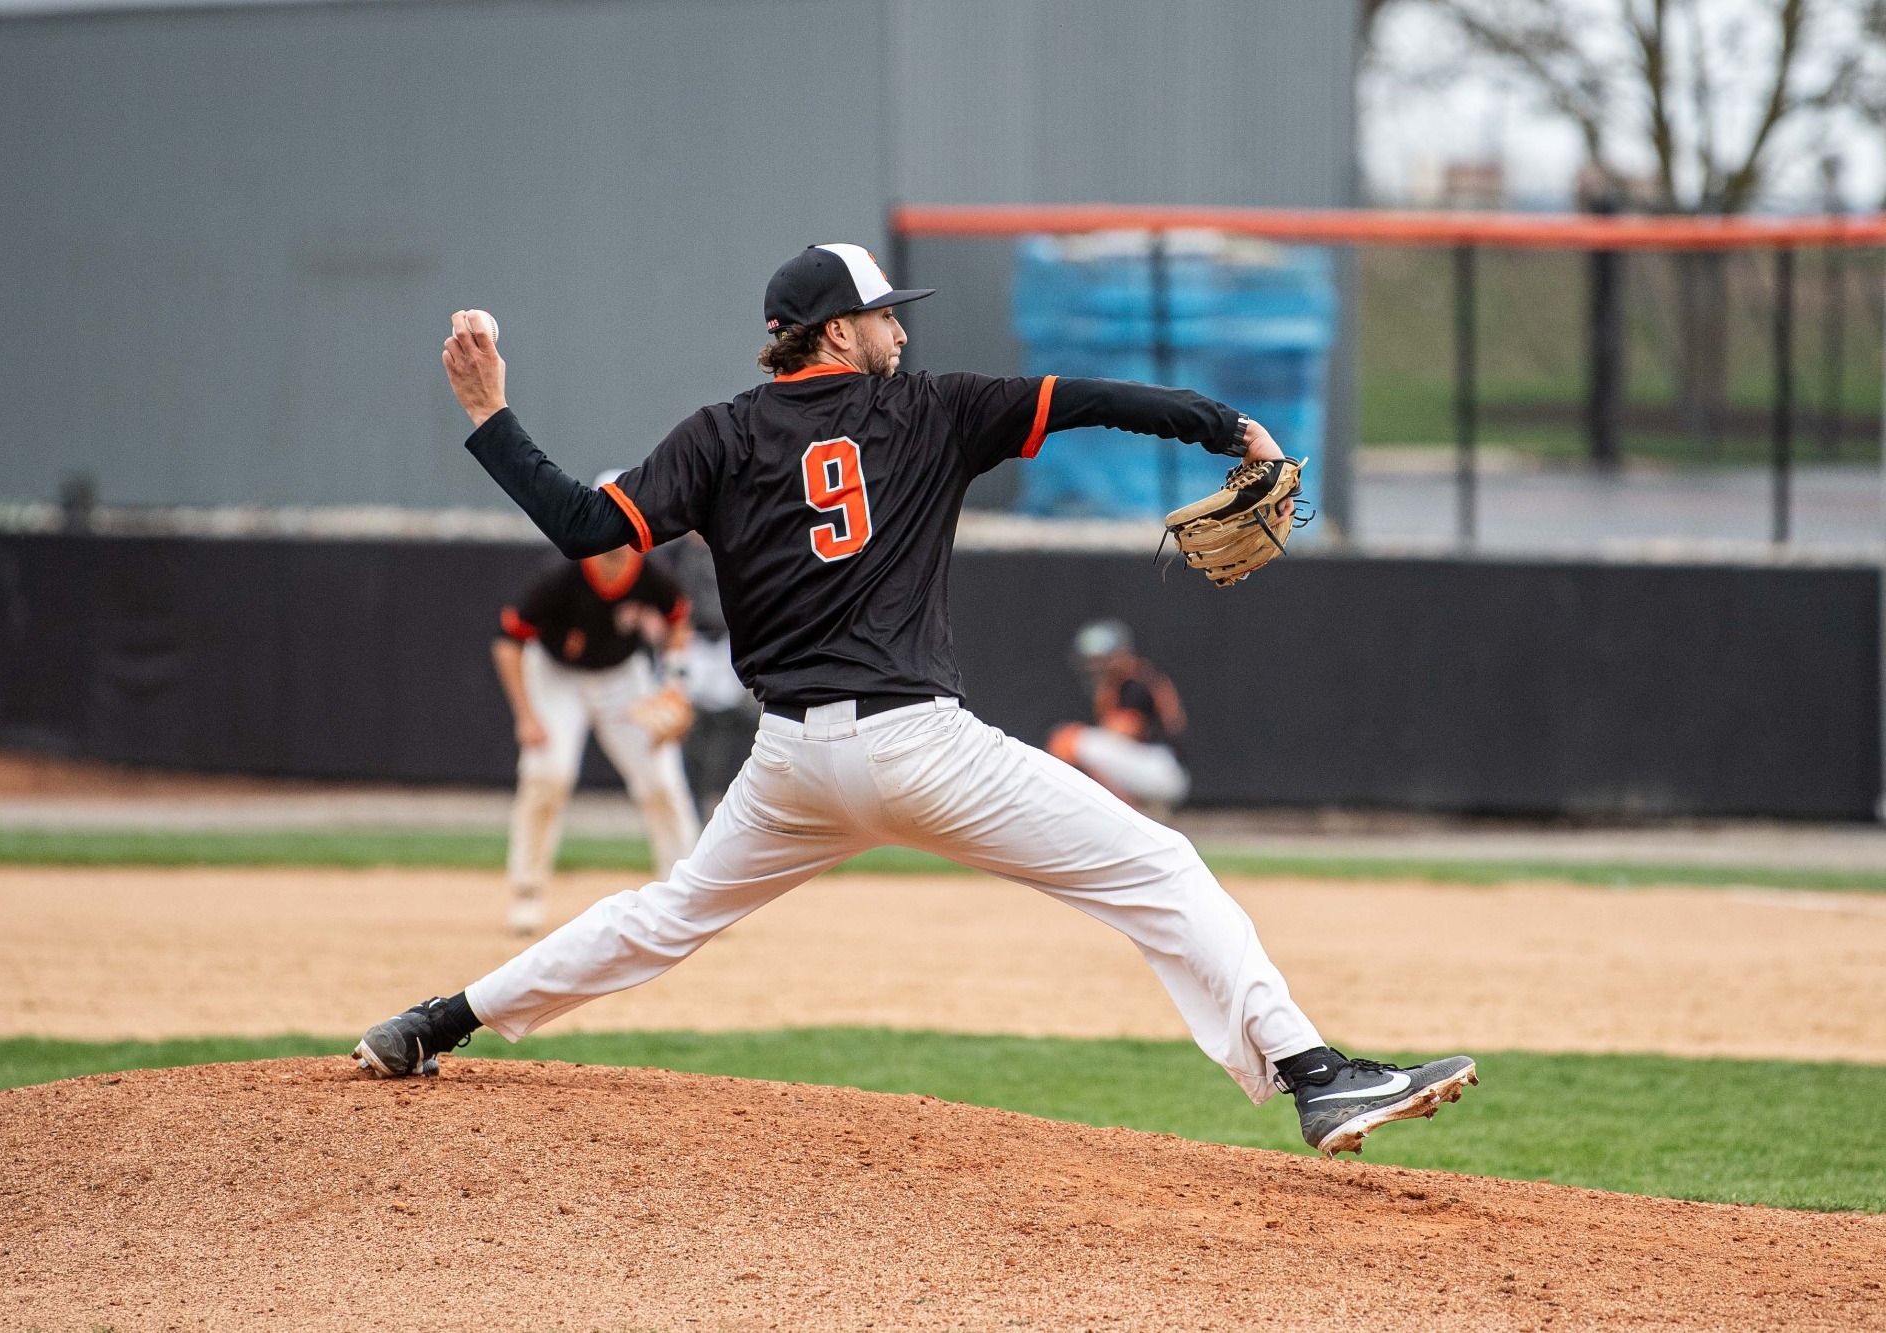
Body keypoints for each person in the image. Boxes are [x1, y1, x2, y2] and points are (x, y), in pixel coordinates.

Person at [356, 243, 1476, 1158]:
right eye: (884, 313)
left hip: (790, 764)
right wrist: (1227, 426)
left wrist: (491, 415)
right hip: (916, 746)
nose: (899, 328)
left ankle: (434, 1022)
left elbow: (585, 526)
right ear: (838, 331)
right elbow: (1092, 399)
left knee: (666, 914)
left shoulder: (721, 433)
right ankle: (1315, 1075)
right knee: (1161, 871)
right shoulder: (935, 409)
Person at [491, 503, 702, 935]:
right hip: (557, 676)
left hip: (622, 676)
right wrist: (525, 715)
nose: (617, 537)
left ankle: (689, 898)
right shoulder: (561, 574)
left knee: (661, 780)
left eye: (625, 527)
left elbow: (679, 621)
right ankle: (528, 892)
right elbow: (508, 642)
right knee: (548, 775)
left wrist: (675, 684)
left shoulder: (649, 573)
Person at [649, 532, 761, 821]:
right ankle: (692, 799)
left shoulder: (733, 543)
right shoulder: (674, 552)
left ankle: (724, 795)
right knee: (688, 725)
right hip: (690, 643)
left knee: (733, 723)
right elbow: (660, 599)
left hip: (728, 643)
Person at [1048, 619, 1191, 811]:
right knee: (1080, 749)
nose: (1095, 666)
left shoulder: (1135, 684)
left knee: (1070, 742)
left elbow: (1125, 731)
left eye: (1101, 659)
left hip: (1164, 768)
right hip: (1152, 766)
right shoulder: (1119, 685)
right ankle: (1132, 810)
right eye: (1091, 660)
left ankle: (1127, 812)